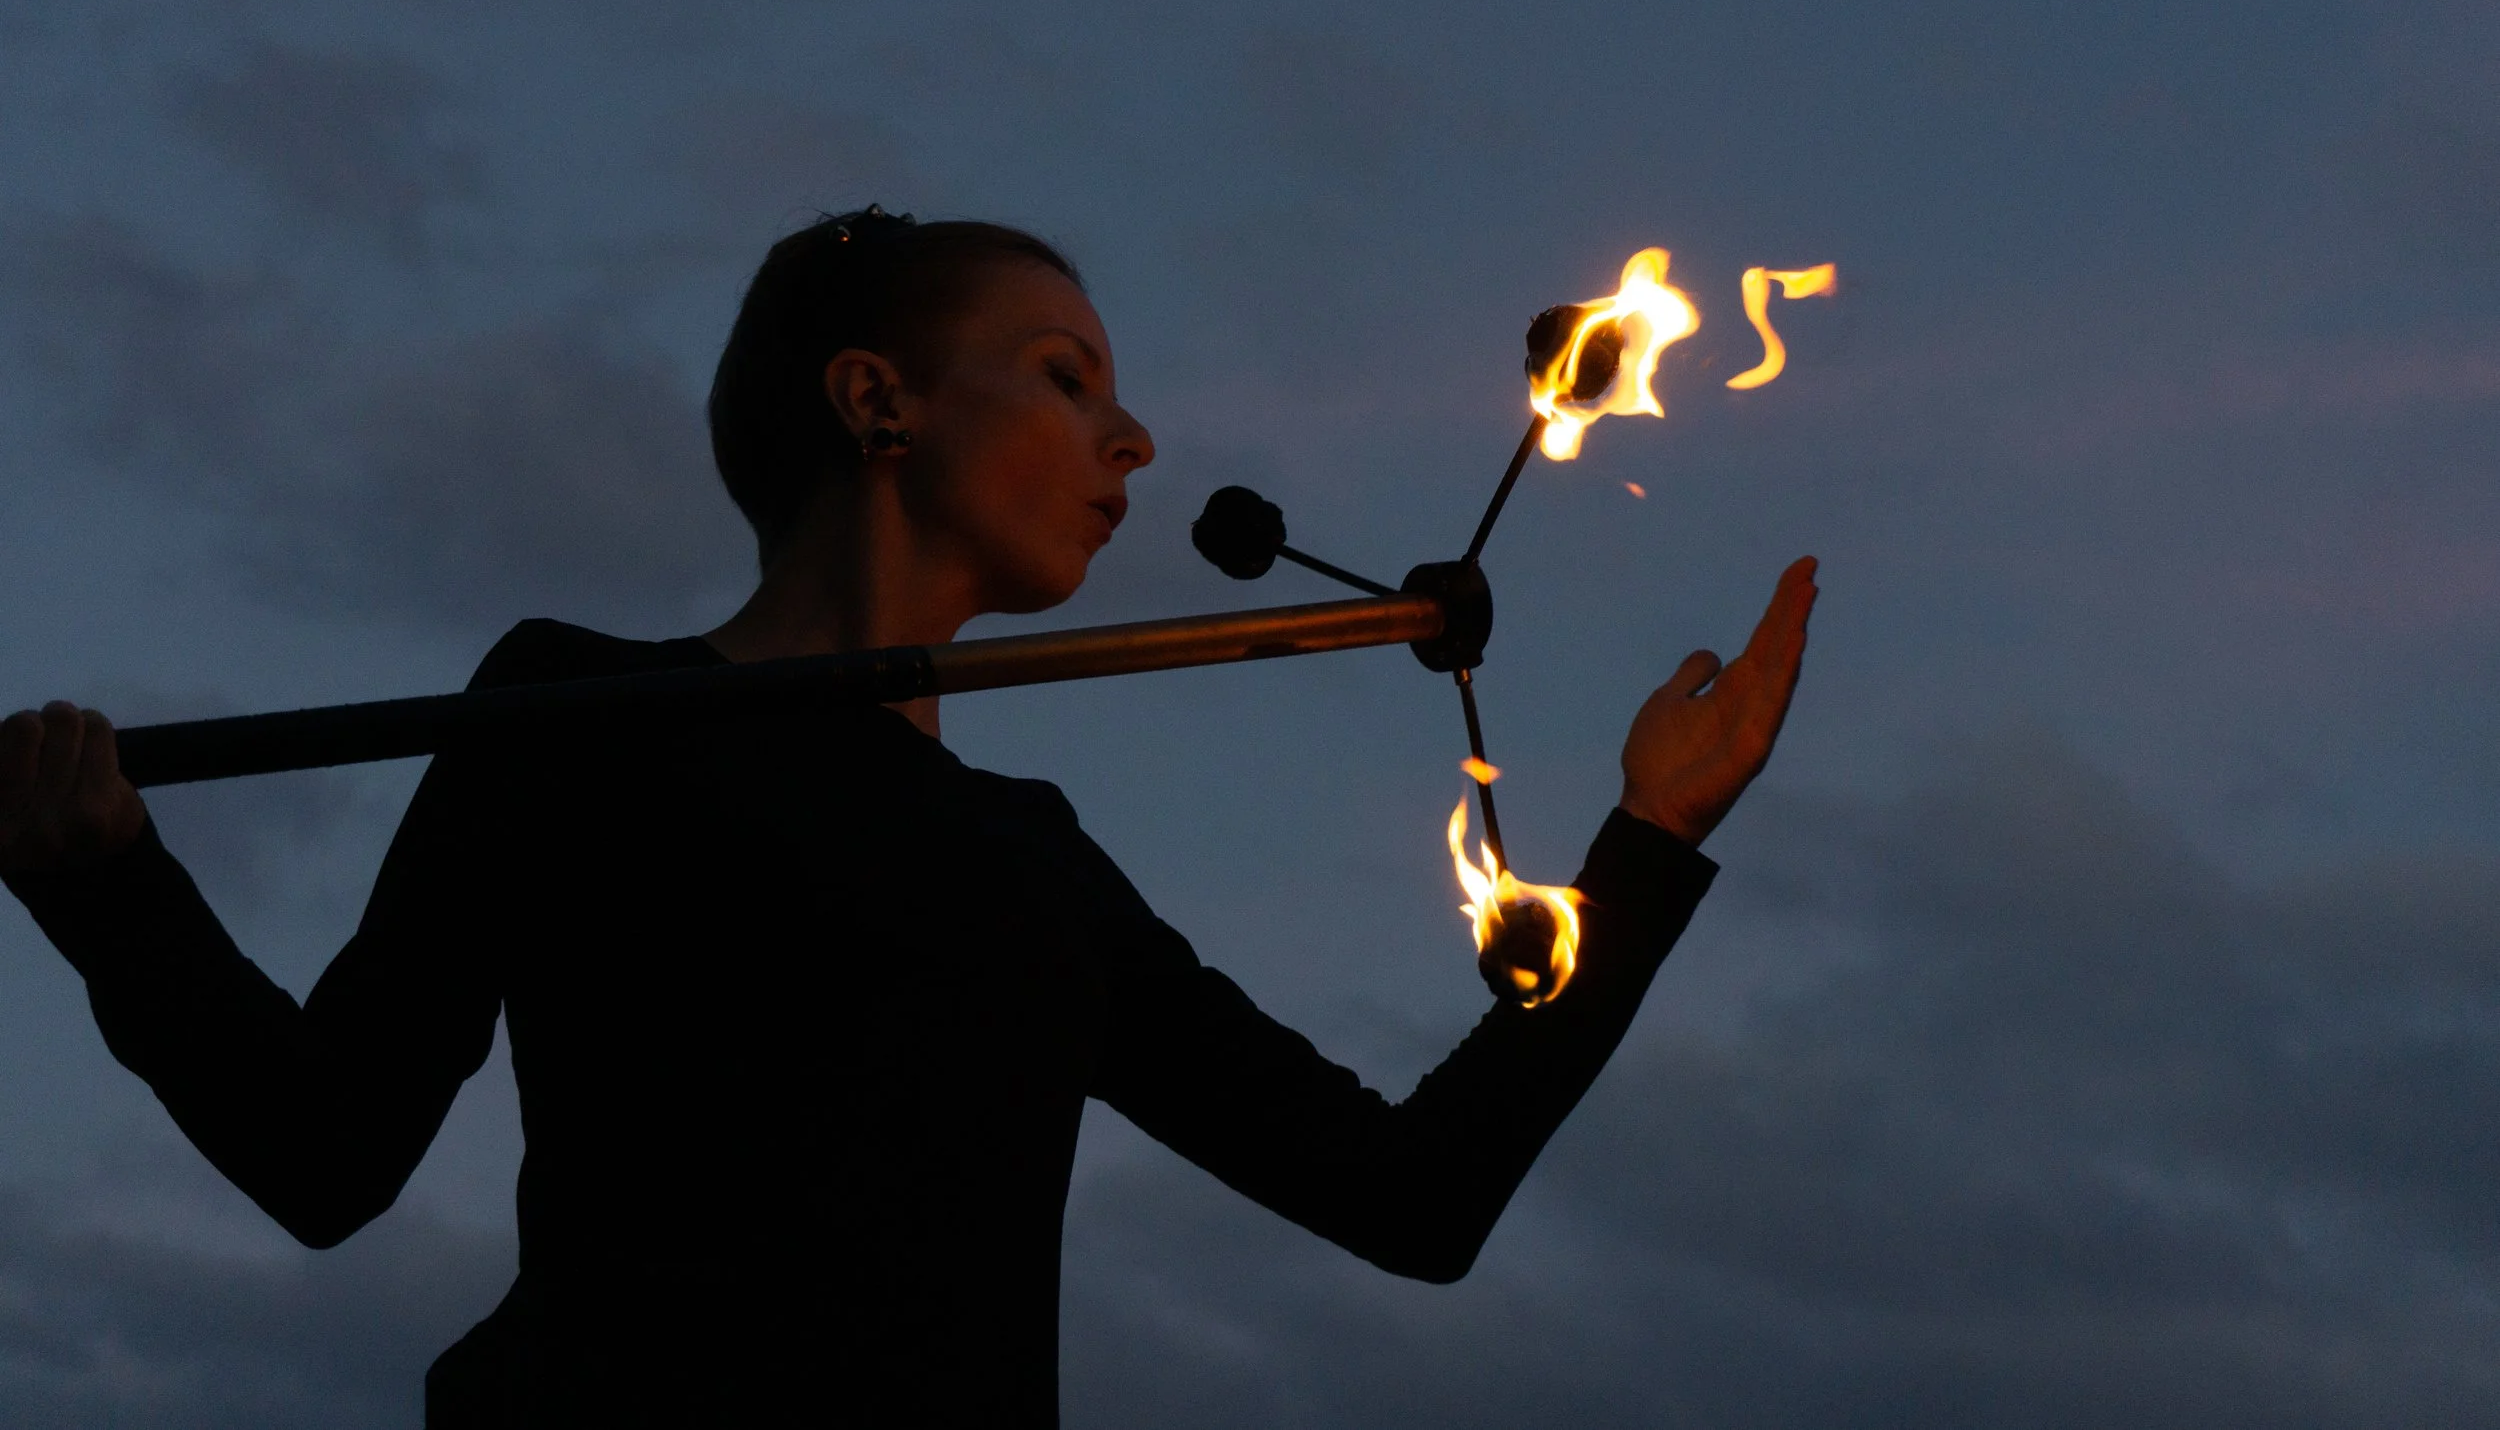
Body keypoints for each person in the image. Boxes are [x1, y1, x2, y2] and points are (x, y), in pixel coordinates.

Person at [0, 207, 1818, 1427]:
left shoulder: (1031, 861)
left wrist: (1651, 840)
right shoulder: (571, 703)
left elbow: (1414, 1196)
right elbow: (329, 1151)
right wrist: (114, 895)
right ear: (876, 401)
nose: (1134, 439)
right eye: (1063, 374)